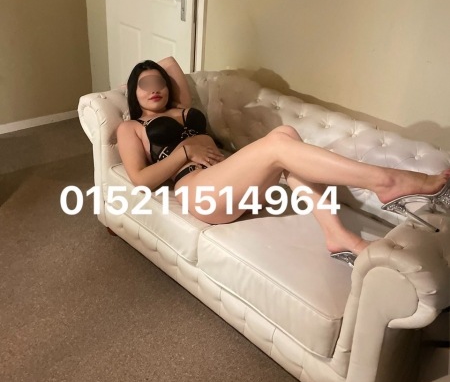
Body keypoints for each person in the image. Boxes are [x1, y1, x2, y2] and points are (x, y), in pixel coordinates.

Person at [117, 57, 450, 262]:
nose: (154, 88)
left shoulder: (182, 107)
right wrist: (185, 152)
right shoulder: (131, 127)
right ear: (133, 92)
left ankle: (337, 235)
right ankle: (387, 180)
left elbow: (170, 63)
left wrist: (156, 73)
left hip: (236, 184)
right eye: (144, 85)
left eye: (158, 82)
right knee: (277, 145)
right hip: (200, 192)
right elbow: (140, 179)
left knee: (286, 133)